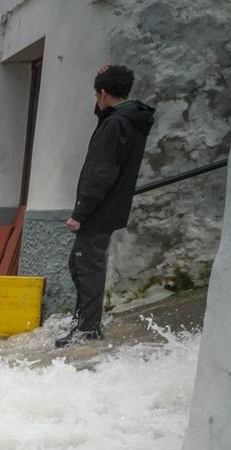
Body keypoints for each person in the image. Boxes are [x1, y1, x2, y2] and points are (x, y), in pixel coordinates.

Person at [58, 64, 156, 348]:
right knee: (81, 264)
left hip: (99, 209)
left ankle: (87, 329)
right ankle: (83, 323)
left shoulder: (115, 124)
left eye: (98, 95)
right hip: (110, 206)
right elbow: (105, 117)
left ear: (102, 93)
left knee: (87, 266)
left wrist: (80, 212)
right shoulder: (128, 118)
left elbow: (101, 171)